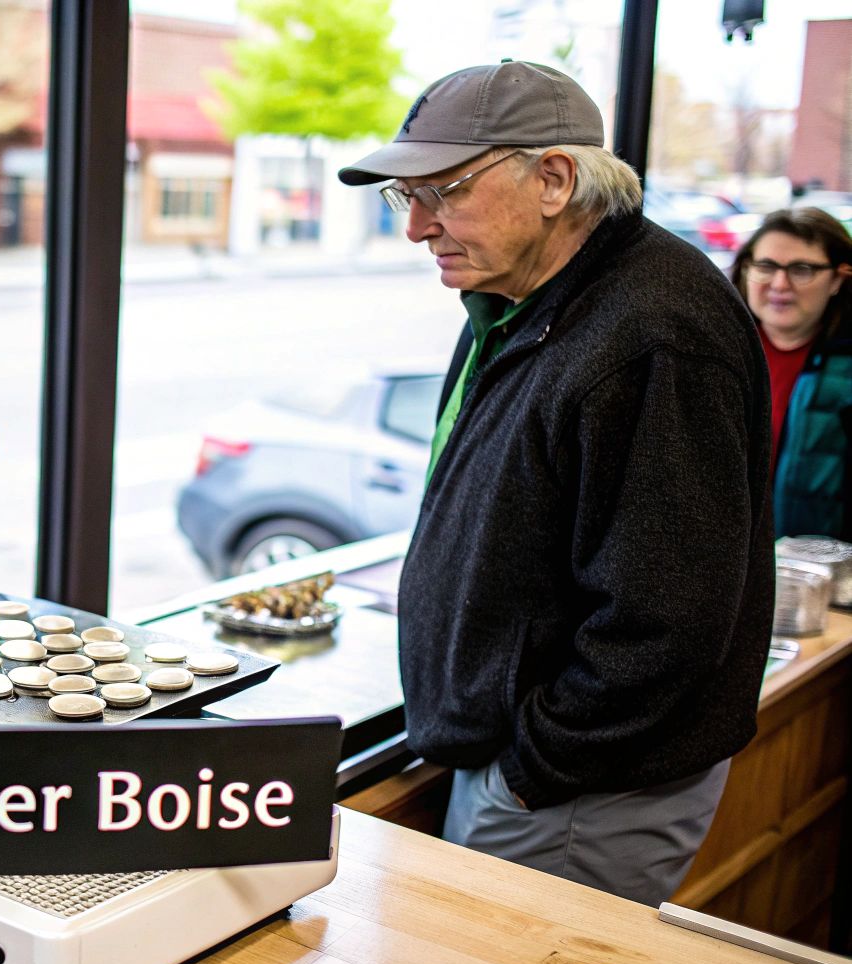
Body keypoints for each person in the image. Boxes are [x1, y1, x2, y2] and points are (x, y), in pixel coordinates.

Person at [338, 61, 773, 906]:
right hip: (534, 764)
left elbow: (666, 622)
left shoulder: (653, 334)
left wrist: (533, 767)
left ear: (555, 178)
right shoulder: (521, 294)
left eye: (445, 192)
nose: (418, 228)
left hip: (583, 791)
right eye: (404, 196)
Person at [733, 208, 852, 538]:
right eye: (766, 266)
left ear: (838, 280)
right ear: (745, 270)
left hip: (820, 574)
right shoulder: (715, 351)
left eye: (802, 269)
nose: (780, 284)